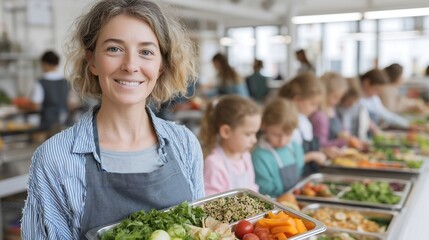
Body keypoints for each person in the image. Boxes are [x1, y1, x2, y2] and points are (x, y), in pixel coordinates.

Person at [21, 1, 204, 239]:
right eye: (114, 49)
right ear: (92, 60)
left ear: (161, 66)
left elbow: (201, 230)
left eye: (146, 52)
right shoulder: (55, 158)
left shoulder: (185, 144)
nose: (130, 65)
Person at [200, 95, 260, 196]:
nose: (254, 140)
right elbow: (212, 202)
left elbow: (252, 188)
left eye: (255, 133)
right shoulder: (214, 163)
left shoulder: (245, 155)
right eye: (248, 134)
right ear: (226, 131)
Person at [252, 98, 305, 198]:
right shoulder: (259, 156)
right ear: (264, 126)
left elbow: (300, 170)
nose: (282, 141)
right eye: (276, 135)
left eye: (288, 134)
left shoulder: (294, 146)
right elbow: (265, 189)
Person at [278, 72, 326, 176]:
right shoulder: (288, 124)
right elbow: (288, 160)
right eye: (313, 104)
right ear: (297, 100)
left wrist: (324, 150)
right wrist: (312, 156)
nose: (316, 109)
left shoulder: (305, 121)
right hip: (295, 175)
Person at [28, 50, 70, 136]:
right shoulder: (66, 82)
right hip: (65, 123)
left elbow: (35, 106)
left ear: (45, 63)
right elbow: (71, 103)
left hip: (47, 126)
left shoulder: (41, 82)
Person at [309, 72, 349, 149]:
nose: (338, 101)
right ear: (324, 94)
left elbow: (341, 128)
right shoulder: (319, 116)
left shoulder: (332, 109)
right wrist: (342, 141)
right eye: (335, 97)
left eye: (340, 98)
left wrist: (345, 133)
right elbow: (320, 144)